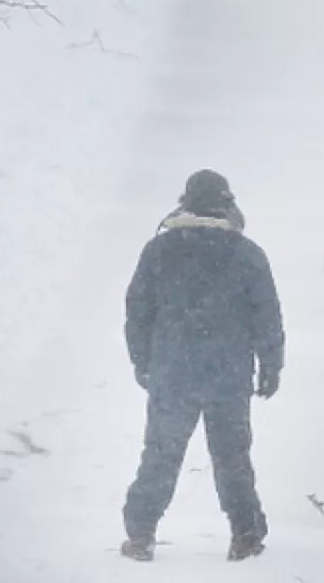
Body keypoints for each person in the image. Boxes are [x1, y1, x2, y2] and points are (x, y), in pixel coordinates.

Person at [121, 169, 286, 563]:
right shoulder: (246, 253)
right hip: (228, 374)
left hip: (172, 371)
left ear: (184, 203)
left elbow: (138, 311)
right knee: (232, 455)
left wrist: (142, 361)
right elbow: (267, 314)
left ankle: (141, 533)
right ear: (227, 204)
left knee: (161, 452)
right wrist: (271, 364)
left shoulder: (158, 250)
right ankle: (245, 535)